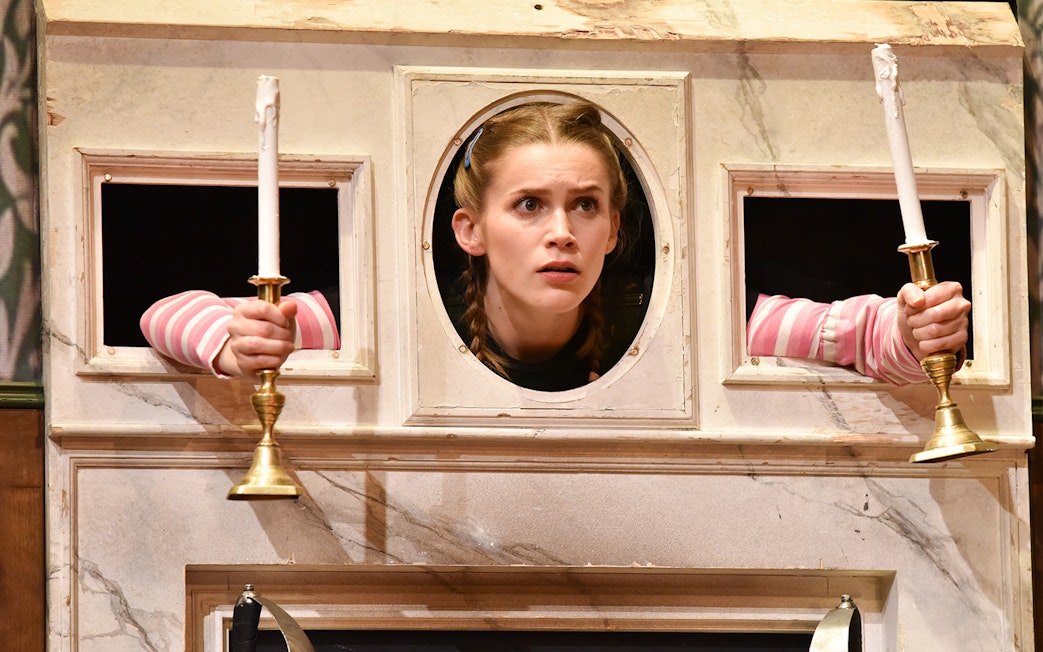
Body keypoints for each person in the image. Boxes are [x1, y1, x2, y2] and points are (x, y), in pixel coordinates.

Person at [140, 101, 971, 390]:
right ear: (469, 230)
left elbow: (845, 334)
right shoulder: (382, 317)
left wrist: (910, 331)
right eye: (529, 205)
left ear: (615, 231)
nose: (560, 232)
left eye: (585, 206)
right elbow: (166, 313)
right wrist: (230, 342)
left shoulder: (676, 319)